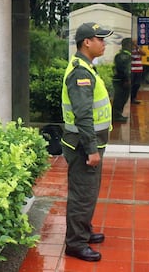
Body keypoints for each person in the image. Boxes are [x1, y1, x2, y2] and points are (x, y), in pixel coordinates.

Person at [61, 22, 113, 261]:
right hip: (83, 147)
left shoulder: (86, 67)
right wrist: (92, 149)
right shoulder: (80, 72)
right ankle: (75, 243)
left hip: (88, 145)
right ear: (86, 42)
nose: (104, 43)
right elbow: (83, 115)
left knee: (88, 192)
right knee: (82, 194)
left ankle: (83, 231)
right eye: (100, 39)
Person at [112, 38, 132, 122]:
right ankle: (116, 116)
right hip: (121, 81)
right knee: (120, 98)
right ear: (127, 45)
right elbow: (124, 69)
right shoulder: (125, 56)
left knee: (122, 98)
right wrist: (127, 80)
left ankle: (118, 114)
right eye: (131, 45)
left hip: (119, 80)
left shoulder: (121, 55)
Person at [130, 39, 146, 104]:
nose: (135, 43)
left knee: (137, 84)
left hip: (139, 69)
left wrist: (137, 47)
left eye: (136, 42)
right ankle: (130, 98)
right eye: (134, 42)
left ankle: (134, 98)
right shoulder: (129, 49)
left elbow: (144, 53)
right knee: (131, 84)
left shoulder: (139, 49)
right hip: (132, 70)